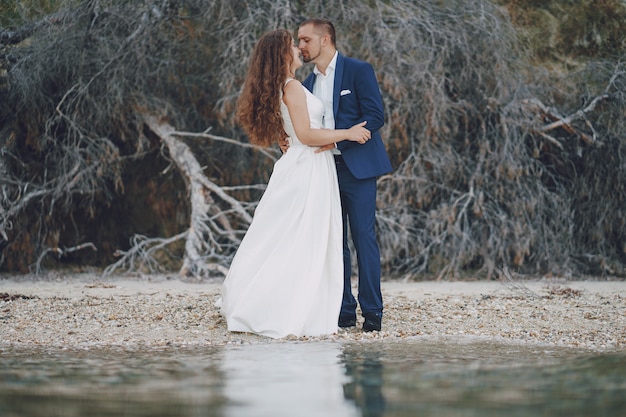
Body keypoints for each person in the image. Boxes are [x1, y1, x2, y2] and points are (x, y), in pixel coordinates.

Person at [220, 29, 372, 339]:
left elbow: (292, 130)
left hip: (306, 164)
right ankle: (287, 305)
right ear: (282, 54)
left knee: (291, 235)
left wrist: (289, 137)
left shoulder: (289, 86)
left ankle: (297, 299)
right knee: (301, 237)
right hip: (308, 167)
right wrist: (347, 134)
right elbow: (305, 135)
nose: (297, 48)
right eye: (292, 44)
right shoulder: (292, 87)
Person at [296, 18, 393, 332]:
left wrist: (338, 139)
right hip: (323, 171)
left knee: (364, 239)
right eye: (299, 41)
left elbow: (375, 115)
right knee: (334, 242)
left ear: (325, 40)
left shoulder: (358, 70)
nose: (301, 46)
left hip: (359, 170)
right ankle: (343, 310)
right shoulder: (306, 84)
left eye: (306, 40)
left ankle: (373, 313)